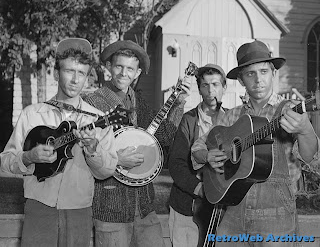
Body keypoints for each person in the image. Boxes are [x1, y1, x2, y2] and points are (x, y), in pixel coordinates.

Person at [191, 40, 320, 247]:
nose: (258, 80)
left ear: (273, 74)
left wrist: (305, 130)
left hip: (276, 217)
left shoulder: (290, 110)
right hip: (232, 213)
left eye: (263, 72)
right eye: (250, 74)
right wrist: (207, 156)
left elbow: (311, 157)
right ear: (241, 80)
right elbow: (198, 147)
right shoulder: (231, 116)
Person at [0, 38, 118, 247]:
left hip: (79, 210)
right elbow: (6, 160)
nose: (75, 79)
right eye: (69, 71)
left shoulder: (96, 119)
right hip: (38, 207)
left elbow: (107, 170)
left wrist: (92, 149)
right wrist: (28, 157)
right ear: (56, 73)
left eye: (81, 73)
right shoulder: (32, 114)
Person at [83, 40, 191, 247]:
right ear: (108, 68)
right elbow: (86, 152)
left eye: (130, 68)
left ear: (138, 72)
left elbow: (167, 136)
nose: (124, 73)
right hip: (110, 205)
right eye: (119, 66)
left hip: (144, 206)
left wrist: (178, 103)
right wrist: (116, 159)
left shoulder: (139, 103)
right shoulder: (92, 103)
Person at [168, 64, 227, 247]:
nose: (211, 91)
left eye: (216, 85)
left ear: (224, 87)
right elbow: (176, 164)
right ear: (199, 89)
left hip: (222, 210)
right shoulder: (188, 120)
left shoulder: (232, 120)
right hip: (187, 206)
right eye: (205, 85)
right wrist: (199, 189)